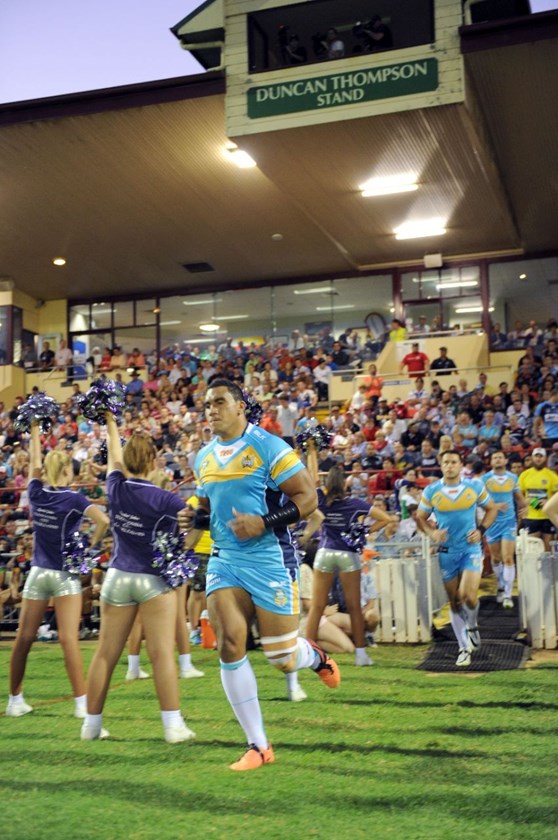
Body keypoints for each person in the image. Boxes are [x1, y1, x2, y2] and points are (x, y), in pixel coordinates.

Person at [186, 378, 340, 772]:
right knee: (229, 643)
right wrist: (194, 520)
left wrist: (264, 522)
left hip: (270, 559)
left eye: (219, 402)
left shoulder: (269, 446)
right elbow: (208, 509)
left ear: (240, 406)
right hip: (225, 560)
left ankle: (314, 655)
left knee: (281, 658)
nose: (211, 409)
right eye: (207, 404)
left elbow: (308, 498)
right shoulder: (203, 457)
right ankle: (258, 745)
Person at [81, 413, 196, 744]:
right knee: (161, 654)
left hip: (117, 576)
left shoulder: (115, 487)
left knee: (105, 653)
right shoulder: (165, 498)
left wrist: (110, 420)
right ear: (152, 460)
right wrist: (187, 542)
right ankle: (173, 726)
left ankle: (91, 726)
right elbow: (195, 525)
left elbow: (115, 455)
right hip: (152, 580)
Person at [6, 421, 108, 719]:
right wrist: (90, 546)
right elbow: (103, 521)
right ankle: (81, 704)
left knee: (23, 638)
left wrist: (35, 429)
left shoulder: (36, 491)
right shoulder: (74, 498)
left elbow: (35, 464)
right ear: (65, 470)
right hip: (64, 575)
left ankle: (14, 700)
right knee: (68, 639)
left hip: (38, 573)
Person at [301, 466, 397, 667]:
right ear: (345, 484)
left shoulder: (320, 498)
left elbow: (311, 479)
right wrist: (365, 531)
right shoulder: (354, 503)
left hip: (324, 553)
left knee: (317, 606)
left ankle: (308, 652)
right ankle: (361, 655)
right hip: (347, 554)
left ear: (327, 483)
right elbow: (386, 518)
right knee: (354, 606)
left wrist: (312, 452)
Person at [416, 449, 498, 668]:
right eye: (446, 462)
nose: (450, 466)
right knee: (454, 601)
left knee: (468, 596)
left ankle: (472, 625)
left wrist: (481, 530)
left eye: (454, 462)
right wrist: (432, 533)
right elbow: (420, 517)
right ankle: (463, 648)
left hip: (470, 549)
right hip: (446, 552)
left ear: (461, 465)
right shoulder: (432, 490)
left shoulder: (474, 486)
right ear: (441, 465)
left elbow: (491, 509)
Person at [483, 451, 527, 609]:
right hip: (492, 522)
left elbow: (520, 499)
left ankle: (508, 595)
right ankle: (500, 585)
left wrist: (527, 507)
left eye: (500, 457)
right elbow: (478, 501)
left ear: (505, 460)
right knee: (496, 558)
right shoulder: (484, 479)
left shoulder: (512, 478)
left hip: (509, 522)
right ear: (491, 461)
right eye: (494, 457)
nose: (497, 459)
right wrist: (494, 506)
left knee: (508, 557)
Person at [518, 447, 558, 550]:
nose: (538, 459)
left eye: (541, 456)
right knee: (532, 549)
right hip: (531, 516)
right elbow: (519, 495)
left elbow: (556, 495)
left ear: (545, 458)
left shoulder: (552, 476)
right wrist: (527, 504)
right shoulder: (524, 475)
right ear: (532, 458)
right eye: (536, 456)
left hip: (547, 517)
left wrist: (548, 502)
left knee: (548, 549)